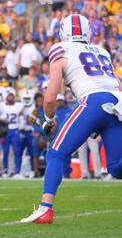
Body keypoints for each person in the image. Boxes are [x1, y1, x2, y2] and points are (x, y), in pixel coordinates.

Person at [21, 14, 122, 224]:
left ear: (64, 32)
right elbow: (116, 84)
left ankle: (45, 209)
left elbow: (50, 96)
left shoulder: (61, 48)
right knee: (115, 167)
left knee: (56, 154)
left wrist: (49, 119)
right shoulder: (102, 51)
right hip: (117, 101)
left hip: (93, 101)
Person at [0, 87, 24, 178]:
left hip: (15, 130)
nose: (10, 97)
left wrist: (20, 128)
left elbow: (22, 119)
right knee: (5, 151)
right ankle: (5, 170)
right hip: (5, 131)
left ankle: (17, 171)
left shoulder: (19, 106)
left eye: (12, 95)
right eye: (9, 95)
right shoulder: (1, 105)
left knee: (17, 151)